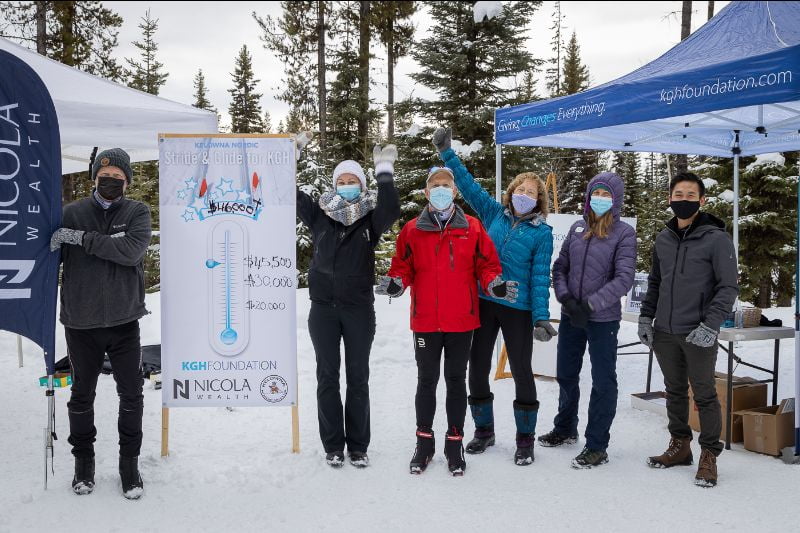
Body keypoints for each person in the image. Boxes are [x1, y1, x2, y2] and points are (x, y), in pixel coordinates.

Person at [376, 166, 516, 476]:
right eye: (435, 186)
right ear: (427, 193)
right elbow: (402, 268)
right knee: (426, 381)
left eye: (446, 185)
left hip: (461, 321)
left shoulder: (474, 228)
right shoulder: (412, 229)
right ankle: (424, 443)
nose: (441, 190)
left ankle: (455, 443)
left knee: (455, 381)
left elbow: (488, 266)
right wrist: (396, 284)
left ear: (454, 192)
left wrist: (495, 284)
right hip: (425, 320)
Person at [431, 127, 555, 466]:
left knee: (521, 370)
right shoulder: (492, 214)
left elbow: (540, 277)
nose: (524, 194)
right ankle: (484, 431)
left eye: (531, 192)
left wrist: (540, 317)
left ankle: (525, 439)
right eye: (521, 189)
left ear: (538, 200)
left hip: (518, 308)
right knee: (478, 367)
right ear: (511, 192)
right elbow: (468, 186)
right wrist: (447, 153)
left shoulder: (542, 233)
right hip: (484, 302)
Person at [49, 148, 152, 499]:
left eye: (118, 178)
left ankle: (129, 465)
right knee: (81, 396)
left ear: (127, 181)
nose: (110, 181)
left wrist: (81, 239)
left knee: (132, 395)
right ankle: (84, 463)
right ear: (94, 176)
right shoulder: (71, 212)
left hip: (125, 321)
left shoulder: (137, 211)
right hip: (80, 322)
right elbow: (50, 258)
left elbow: (132, 251)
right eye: (104, 175)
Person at [296, 140, 400, 469]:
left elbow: (392, 208)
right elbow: (288, 192)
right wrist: (290, 158)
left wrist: (384, 173)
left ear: (362, 185)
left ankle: (358, 445)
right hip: (323, 309)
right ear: (334, 185)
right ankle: (333, 446)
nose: (347, 186)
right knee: (327, 376)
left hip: (358, 309)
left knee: (358, 377)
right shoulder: (319, 216)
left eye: (352, 181)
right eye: (341, 181)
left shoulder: (370, 219)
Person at [639, 172, 738, 488]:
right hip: (665, 331)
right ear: (670, 199)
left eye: (690, 195)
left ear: (702, 200)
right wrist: (646, 318)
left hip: (698, 332)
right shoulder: (663, 238)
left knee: (705, 394)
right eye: (678, 195)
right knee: (675, 391)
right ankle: (680, 446)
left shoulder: (716, 238)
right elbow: (655, 282)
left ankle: (709, 455)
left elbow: (728, 286)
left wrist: (710, 326)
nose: (683, 200)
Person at [538, 172, 636, 469]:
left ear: (615, 199)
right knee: (566, 373)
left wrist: (590, 305)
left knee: (603, 380)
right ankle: (566, 427)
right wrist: (566, 299)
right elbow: (560, 267)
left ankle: (597, 445)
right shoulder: (577, 227)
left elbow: (624, 278)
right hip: (571, 314)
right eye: (596, 193)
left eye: (606, 195)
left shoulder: (624, 233)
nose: (600, 200)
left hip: (603, 319)